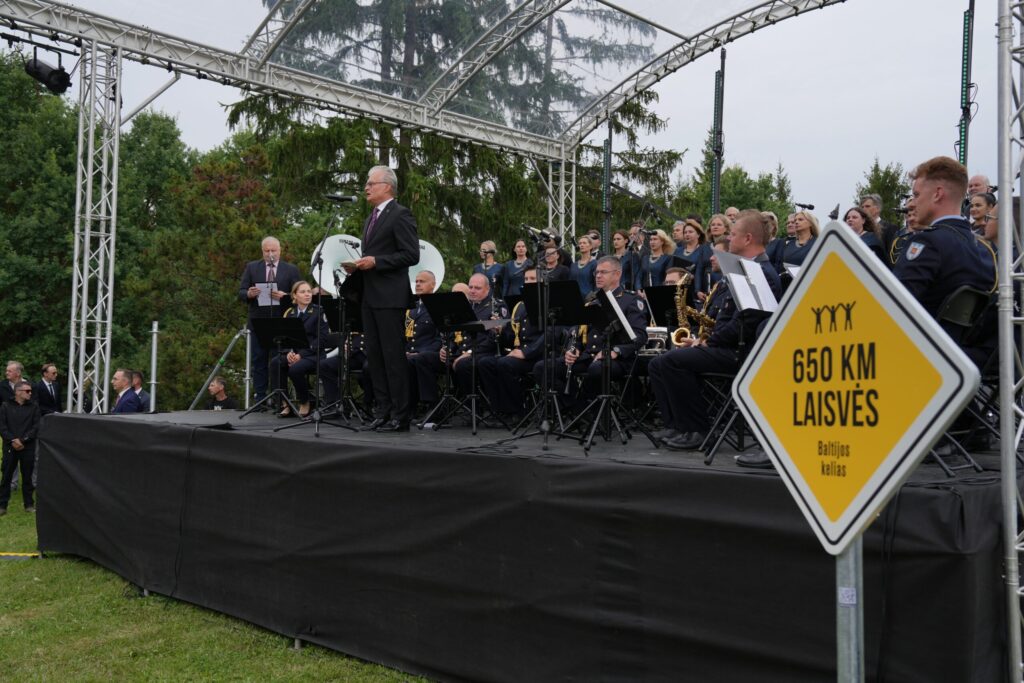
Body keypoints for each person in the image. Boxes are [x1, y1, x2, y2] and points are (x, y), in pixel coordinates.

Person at [652, 210, 782, 451]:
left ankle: (699, 430)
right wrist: (703, 339)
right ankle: (679, 425)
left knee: (672, 362)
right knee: (659, 363)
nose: (728, 240)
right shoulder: (746, 269)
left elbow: (747, 321)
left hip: (742, 352)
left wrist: (710, 343)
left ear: (748, 239)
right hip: (727, 345)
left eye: (732, 235)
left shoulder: (760, 272)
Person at [345, 165, 420, 433]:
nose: (366, 187)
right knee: (374, 358)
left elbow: (411, 255)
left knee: (393, 357)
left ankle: (401, 415)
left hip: (390, 298)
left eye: (371, 183)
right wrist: (358, 265)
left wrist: (376, 261)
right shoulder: (370, 219)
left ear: (387, 186)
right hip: (370, 297)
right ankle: (383, 410)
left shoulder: (401, 215)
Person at [535, 256, 647, 405]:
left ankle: (591, 411)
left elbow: (640, 335)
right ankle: (576, 408)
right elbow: (580, 331)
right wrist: (573, 349)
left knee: (596, 370)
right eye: (596, 272)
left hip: (618, 359)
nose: (598, 276)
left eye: (603, 272)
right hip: (588, 356)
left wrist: (616, 350)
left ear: (617, 274)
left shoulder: (631, 300)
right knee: (543, 367)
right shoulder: (593, 300)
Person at [894, 156, 997, 319]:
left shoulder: (927, 243)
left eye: (917, 194)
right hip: (959, 343)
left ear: (937, 194)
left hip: (924, 341)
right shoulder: (985, 250)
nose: (912, 203)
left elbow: (893, 304)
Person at [238, 236, 301, 404]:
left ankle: (278, 397)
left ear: (280, 251)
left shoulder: (291, 269)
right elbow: (241, 292)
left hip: (281, 321)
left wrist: (286, 296)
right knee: (258, 359)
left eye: (274, 250)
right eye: (267, 251)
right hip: (258, 321)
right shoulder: (252, 267)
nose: (271, 254)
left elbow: (300, 294)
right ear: (262, 251)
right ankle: (260, 397)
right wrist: (249, 294)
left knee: (278, 360)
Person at [477, 266, 544, 419]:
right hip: (518, 352)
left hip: (538, 354)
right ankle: (498, 407)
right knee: (485, 363)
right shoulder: (520, 306)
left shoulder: (548, 303)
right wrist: (500, 331)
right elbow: (512, 336)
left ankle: (516, 411)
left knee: (505, 364)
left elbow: (551, 334)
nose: (528, 282)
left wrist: (526, 352)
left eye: (533, 279)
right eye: (526, 279)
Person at [438, 274, 508, 399]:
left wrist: (470, 352)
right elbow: (457, 333)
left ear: (487, 289)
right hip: (464, 351)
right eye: (470, 287)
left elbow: (494, 339)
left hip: (485, 352)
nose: (472, 291)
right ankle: (448, 402)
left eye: (477, 288)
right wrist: (448, 348)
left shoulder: (496, 306)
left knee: (463, 365)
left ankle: (473, 404)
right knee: (433, 360)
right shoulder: (465, 305)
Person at [269, 281, 331, 418]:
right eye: (303, 292)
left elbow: (323, 339)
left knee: (295, 369)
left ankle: (305, 401)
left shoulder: (318, 312)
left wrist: (301, 354)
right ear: (295, 295)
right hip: (295, 354)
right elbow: (285, 337)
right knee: (276, 363)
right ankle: (286, 403)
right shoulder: (290, 313)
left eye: (309, 291)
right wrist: (289, 352)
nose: (307, 294)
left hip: (313, 355)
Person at [0, 381, 40, 515]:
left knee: (27, 477)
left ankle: (29, 504)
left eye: (30, 391)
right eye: (27, 391)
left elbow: (36, 427)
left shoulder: (34, 407)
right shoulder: (5, 406)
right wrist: (12, 440)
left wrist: (23, 440)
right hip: (10, 446)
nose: (30, 393)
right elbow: (2, 426)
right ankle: (2, 505)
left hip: (27, 446)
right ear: (18, 392)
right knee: (6, 477)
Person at [772, 210, 818, 274]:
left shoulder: (818, 244)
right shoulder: (788, 245)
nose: (796, 222)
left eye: (800, 220)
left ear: (810, 223)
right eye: (795, 220)